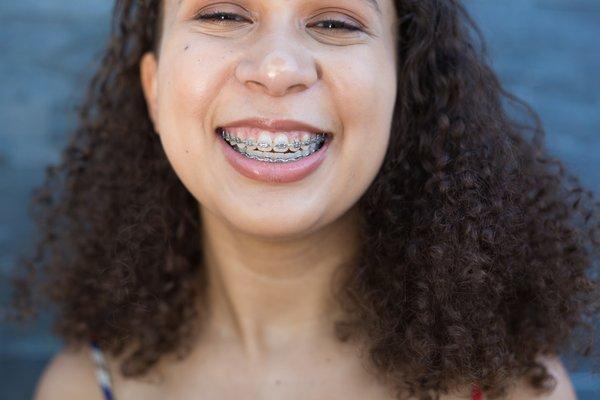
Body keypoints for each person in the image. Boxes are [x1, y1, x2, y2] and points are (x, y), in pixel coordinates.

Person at [9, 0, 597, 398]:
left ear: (402, 92)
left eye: (336, 22)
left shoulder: (508, 388)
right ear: (154, 90)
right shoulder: (83, 387)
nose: (277, 68)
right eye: (221, 12)